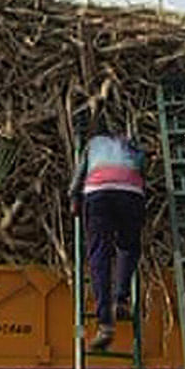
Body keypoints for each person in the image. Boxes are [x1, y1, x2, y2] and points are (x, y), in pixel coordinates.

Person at [69, 121, 147, 351]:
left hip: (98, 193)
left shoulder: (93, 144)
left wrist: (74, 196)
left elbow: (79, 173)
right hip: (131, 193)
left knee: (99, 255)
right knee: (128, 246)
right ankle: (121, 299)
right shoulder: (131, 145)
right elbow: (141, 169)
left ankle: (105, 324)